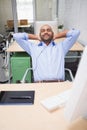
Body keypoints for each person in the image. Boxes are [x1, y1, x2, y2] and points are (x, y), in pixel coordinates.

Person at [13, 24, 80, 82]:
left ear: (52, 33)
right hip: (40, 85)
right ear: (40, 34)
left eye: (48, 30)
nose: (46, 32)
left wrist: (56, 36)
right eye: (42, 31)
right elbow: (16, 36)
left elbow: (76, 33)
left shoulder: (61, 47)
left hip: (59, 84)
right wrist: (36, 37)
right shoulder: (33, 48)